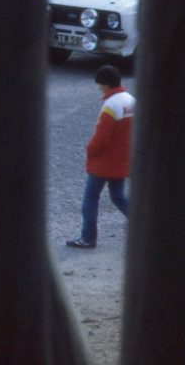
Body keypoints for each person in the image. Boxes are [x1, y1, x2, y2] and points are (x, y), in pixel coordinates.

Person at [66, 65, 135, 249]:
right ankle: (142, 226)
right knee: (118, 196)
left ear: (105, 84)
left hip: (105, 162)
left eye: (99, 84)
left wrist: (89, 150)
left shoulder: (110, 106)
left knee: (90, 199)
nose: (98, 87)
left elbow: (101, 139)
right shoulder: (131, 100)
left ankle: (88, 237)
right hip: (122, 160)